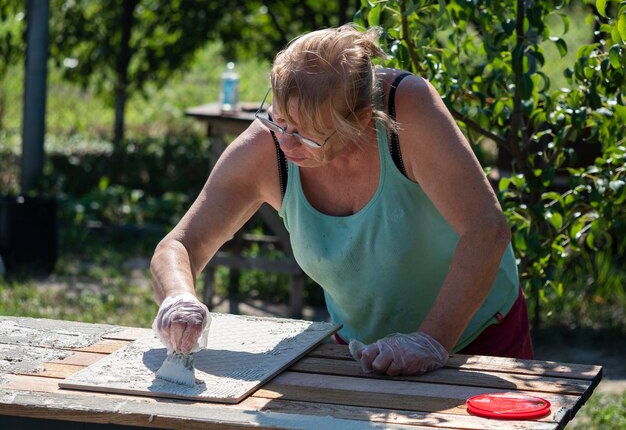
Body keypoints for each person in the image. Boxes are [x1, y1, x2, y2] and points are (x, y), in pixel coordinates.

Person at [151, 23, 534, 376]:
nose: (284, 143)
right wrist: (178, 298)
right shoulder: (271, 144)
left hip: (478, 340)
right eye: (278, 119)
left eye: (307, 134)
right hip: (360, 351)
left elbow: (487, 231)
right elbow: (179, 245)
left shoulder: (409, 111)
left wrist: (430, 341)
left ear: (364, 119)